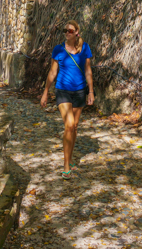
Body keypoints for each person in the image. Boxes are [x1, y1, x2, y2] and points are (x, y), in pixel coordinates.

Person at [40, 20, 94, 180]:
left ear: (77, 32)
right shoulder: (58, 49)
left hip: (79, 91)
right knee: (69, 125)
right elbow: (52, 72)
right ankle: (65, 165)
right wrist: (45, 92)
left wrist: (90, 91)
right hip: (62, 90)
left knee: (75, 126)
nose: (67, 33)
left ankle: (69, 159)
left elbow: (88, 71)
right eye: (65, 30)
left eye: (70, 30)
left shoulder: (85, 48)